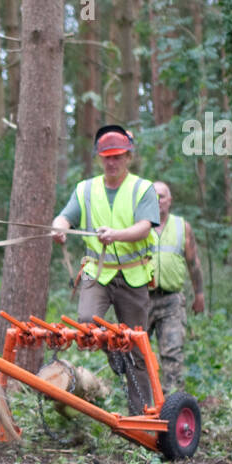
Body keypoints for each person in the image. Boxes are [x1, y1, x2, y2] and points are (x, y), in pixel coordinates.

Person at [51, 125, 159, 414]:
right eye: (106, 158)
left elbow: (144, 227)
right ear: (99, 159)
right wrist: (59, 228)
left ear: (128, 157)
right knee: (87, 321)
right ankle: (113, 351)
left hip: (133, 275)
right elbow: (65, 217)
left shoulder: (142, 188)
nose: (112, 163)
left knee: (136, 346)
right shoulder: (85, 189)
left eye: (118, 157)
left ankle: (142, 413)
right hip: (96, 272)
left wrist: (116, 234)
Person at [148, 181, 205, 394]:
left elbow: (194, 263)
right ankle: (140, 402)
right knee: (134, 351)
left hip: (171, 300)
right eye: (153, 196)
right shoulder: (139, 225)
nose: (157, 201)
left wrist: (199, 294)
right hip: (141, 298)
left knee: (172, 352)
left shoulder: (182, 227)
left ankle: (171, 402)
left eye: (161, 196)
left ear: (170, 200)